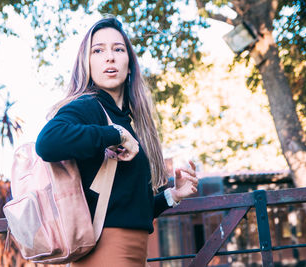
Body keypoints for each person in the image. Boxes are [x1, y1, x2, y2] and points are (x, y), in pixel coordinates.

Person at [35, 17, 198, 267]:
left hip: (134, 253)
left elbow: (127, 208)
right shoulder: (88, 106)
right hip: (104, 253)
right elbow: (47, 142)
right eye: (98, 50)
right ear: (87, 63)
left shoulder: (128, 121)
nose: (109, 57)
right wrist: (116, 135)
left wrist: (173, 195)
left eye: (118, 49)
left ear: (130, 64)